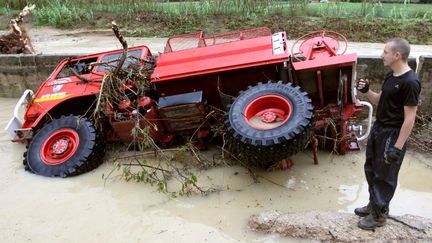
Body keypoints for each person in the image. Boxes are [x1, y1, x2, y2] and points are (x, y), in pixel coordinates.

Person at [354, 38, 421, 230]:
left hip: (393, 133)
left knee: (385, 175)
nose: (381, 55)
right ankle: (374, 204)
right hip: (379, 128)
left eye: (385, 52)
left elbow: (410, 118)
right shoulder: (391, 75)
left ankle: (379, 215)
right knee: (371, 169)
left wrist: (397, 148)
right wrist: (367, 91)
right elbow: (379, 101)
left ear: (397, 55)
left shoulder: (411, 82)